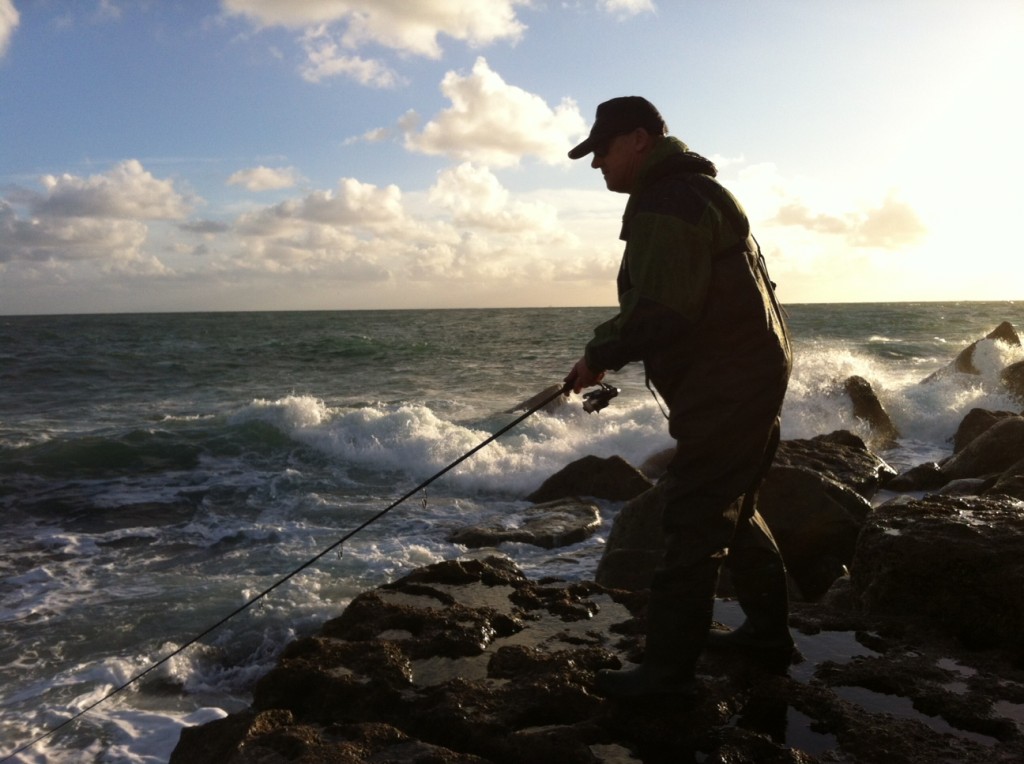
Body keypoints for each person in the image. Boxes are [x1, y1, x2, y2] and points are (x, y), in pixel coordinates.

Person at [563, 96, 793, 699]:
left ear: (639, 140)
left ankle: (666, 675)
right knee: (736, 507)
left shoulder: (667, 201)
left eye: (602, 150)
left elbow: (661, 311)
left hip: (729, 383)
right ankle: (768, 636)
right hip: (753, 374)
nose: (597, 165)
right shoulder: (695, 190)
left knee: (693, 521)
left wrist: (598, 355)